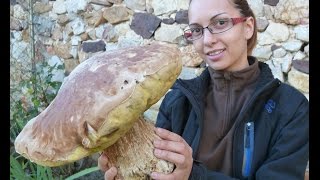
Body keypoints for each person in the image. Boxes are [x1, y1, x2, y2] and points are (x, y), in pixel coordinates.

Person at [98, 0, 309, 179]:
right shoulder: (177, 103)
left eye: (220, 23)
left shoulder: (292, 109)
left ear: (248, 27)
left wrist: (193, 174)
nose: (207, 40)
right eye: (197, 30)